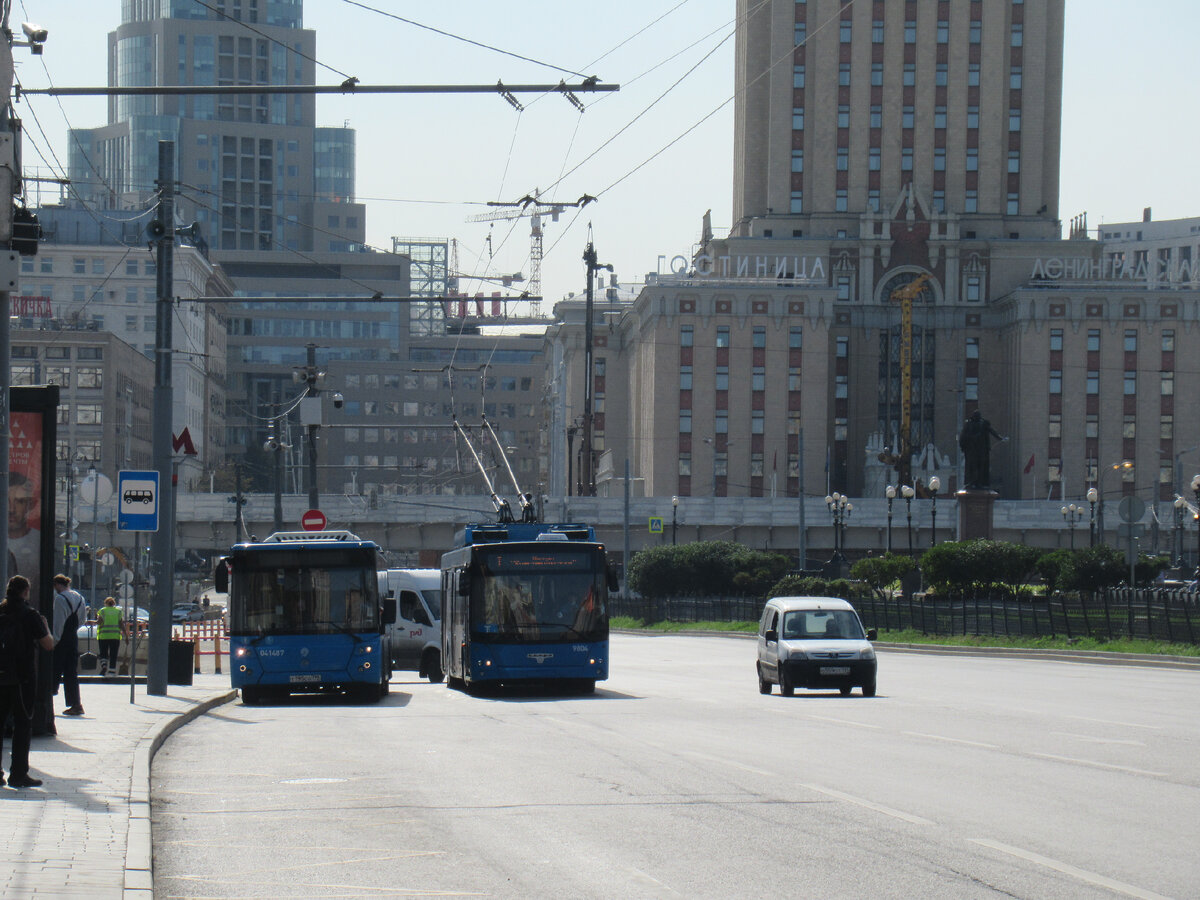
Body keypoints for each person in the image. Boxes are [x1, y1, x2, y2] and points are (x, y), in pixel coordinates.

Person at [0, 575, 54, 788]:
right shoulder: (30, 614)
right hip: (22, 678)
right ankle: (18, 774)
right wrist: (46, 626)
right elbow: (48, 645)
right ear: (25, 592)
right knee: (23, 725)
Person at [51, 574, 87, 716]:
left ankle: (47, 699)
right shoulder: (80, 598)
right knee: (71, 672)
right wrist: (72, 631)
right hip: (73, 637)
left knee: (54, 669)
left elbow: (58, 623)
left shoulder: (60, 599)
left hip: (61, 640)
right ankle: (76, 704)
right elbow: (82, 620)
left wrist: (54, 641)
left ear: (57, 585)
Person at [958, 410, 1005, 490]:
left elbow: (992, 431)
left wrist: (1000, 438)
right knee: (972, 467)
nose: (977, 418)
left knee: (981, 467)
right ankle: (972, 482)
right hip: (972, 450)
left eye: (978, 416)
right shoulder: (968, 425)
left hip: (981, 450)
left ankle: (979, 483)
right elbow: (963, 437)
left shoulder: (983, 424)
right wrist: (963, 446)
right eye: (976, 416)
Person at [8, 471, 40, 584]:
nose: (11, 509)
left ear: (30, 504)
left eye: (19, 502)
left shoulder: (40, 540)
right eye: (5, 501)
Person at [95, 596, 124, 677]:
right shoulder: (118, 612)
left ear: (105, 603)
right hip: (115, 637)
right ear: (114, 603)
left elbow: (99, 622)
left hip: (103, 636)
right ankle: (112, 672)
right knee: (113, 655)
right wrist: (126, 635)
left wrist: (91, 622)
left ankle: (104, 665)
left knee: (103, 653)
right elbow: (121, 624)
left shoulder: (102, 611)